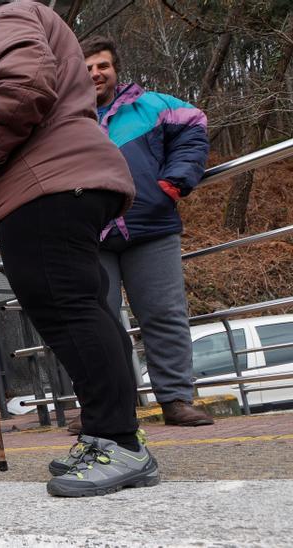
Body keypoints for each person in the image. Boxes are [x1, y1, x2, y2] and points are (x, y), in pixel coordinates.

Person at [0, 0, 161, 497]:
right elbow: (27, 137)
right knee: (75, 310)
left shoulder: (7, 19)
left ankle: (120, 442)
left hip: (52, 189)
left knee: (71, 309)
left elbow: (23, 86)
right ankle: (106, 434)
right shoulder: (22, 22)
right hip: (51, 186)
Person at [81, 36, 214, 428]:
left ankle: (175, 399)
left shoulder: (153, 105)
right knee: (96, 322)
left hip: (151, 225)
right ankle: (107, 406)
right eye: (86, 68)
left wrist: (173, 182)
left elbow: (195, 126)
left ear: (115, 67)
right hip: (92, 234)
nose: (95, 74)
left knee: (164, 314)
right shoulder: (67, 119)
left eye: (101, 65)